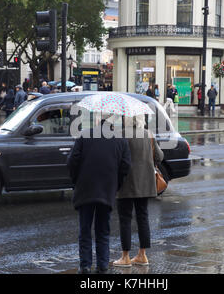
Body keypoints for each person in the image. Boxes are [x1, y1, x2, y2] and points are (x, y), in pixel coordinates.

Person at [67, 116, 131, 274]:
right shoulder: (121, 141)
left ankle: (85, 265)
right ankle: (102, 264)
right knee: (103, 230)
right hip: (107, 190)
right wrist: (116, 185)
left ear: (98, 123)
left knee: (85, 230)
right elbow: (126, 166)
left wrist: (77, 181)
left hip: (85, 189)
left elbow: (72, 161)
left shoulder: (84, 135)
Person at [113, 116, 163, 268]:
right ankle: (142, 255)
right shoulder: (148, 134)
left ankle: (125, 257)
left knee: (125, 219)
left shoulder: (121, 134)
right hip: (144, 183)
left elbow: (116, 157)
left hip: (126, 183)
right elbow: (159, 156)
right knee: (143, 217)